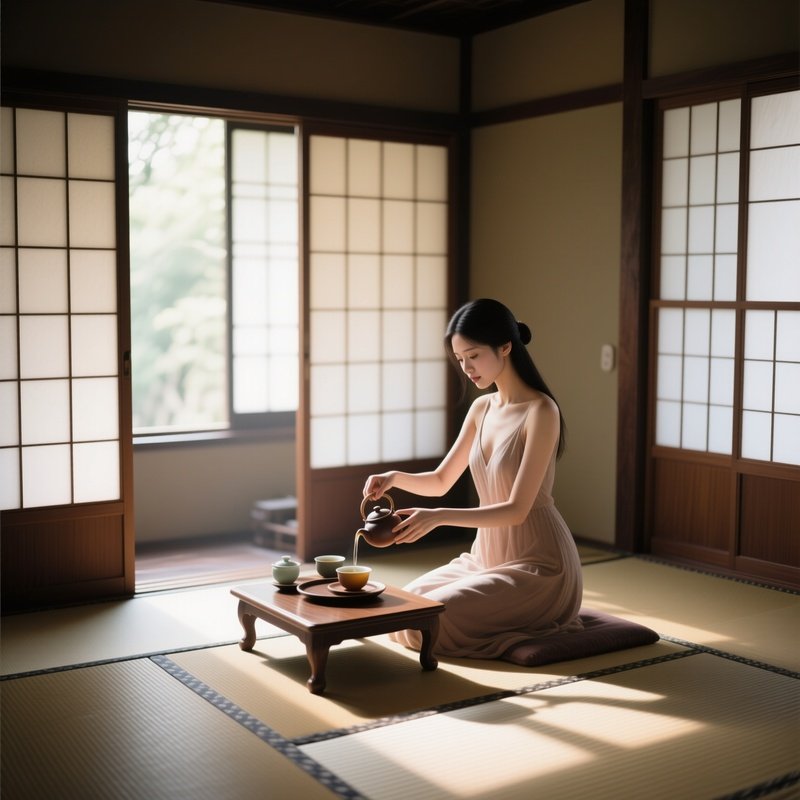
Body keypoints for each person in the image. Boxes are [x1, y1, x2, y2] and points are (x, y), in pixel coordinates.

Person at [363, 298, 583, 659]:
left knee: (427, 624)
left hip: (539, 565)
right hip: (486, 557)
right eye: (460, 360)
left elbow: (515, 510)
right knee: (402, 611)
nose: (466, 368)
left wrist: (438, 517)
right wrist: (393, 478)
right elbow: (440, 481)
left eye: (474, 356)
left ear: (506, 347)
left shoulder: (541, 411)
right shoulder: (482, 408)